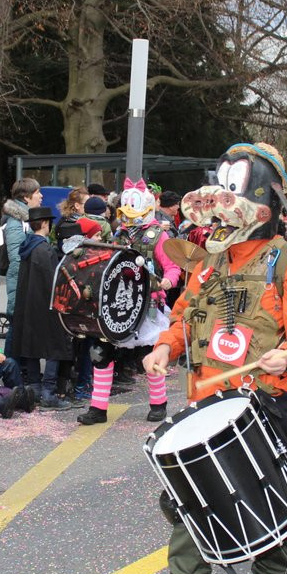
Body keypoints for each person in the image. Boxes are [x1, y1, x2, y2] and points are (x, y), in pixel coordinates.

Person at [141, 142, 287, 574]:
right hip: (207, 405)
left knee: (261, 498)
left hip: (265, 407)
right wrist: (164, 347)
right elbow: (183, 317)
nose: (217, 221)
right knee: (190, 503)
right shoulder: (206, 266)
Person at [75, 178, 180, 425]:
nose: (130, 220)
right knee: (101, 353)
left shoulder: (157, 236)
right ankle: (98, 408)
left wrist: (168, 281)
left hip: (148, 305)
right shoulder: (118, 234)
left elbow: (173, 267)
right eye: (125, 214)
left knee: (151, 355)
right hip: (117, 305)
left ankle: (159, 403)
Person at [10, 206, 72, 410]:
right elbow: (53, 281)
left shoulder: (27, 246)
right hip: (46, 305)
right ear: (45, 223)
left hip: (28, 305)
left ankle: (35, 388)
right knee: (54, 345)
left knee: (32, 346)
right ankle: (48, 392)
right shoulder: (45, 250)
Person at [1, 177, 42, 355]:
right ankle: (11, 368)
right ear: (26, 198)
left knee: (24, 328)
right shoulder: (16, 223)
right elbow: (16, 258)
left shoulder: (26, 220)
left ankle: (20, 367)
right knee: (17, 327)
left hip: (27, 282)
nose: (41, 196)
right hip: (21, 283)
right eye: (37, 193)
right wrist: (26, 285)